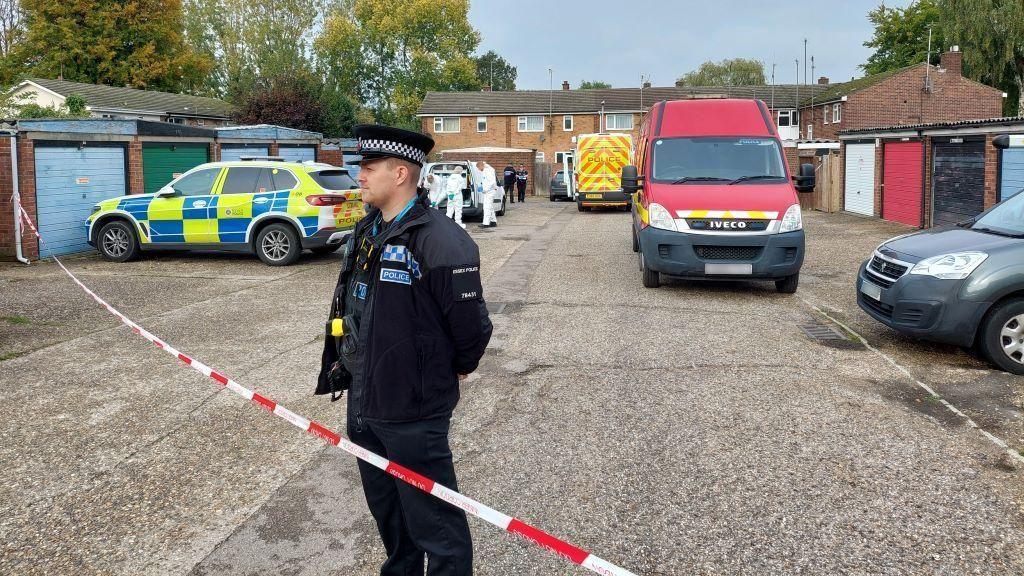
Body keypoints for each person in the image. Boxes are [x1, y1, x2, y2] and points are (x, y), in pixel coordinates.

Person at [317, 124, 492, 576]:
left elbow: (470, 326)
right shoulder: (368, 231)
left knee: (435, 520)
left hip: (413, 409)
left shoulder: (441, 241)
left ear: (399, 174)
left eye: (368, 168)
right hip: (364, 399)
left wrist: (456, 367)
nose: (359, 176)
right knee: (389, 512)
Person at [476, 161, 498, 228]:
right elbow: (487, 181)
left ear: (480, 166)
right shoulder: (488, 169)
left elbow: (492, 181)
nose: (478, 170)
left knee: (486, 207)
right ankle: (493, 221)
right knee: (490, 207)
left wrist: (485, 189)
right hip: (489, 191)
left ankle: (486, 223)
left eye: (478, 168)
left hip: (489, 192)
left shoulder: (487, 170)